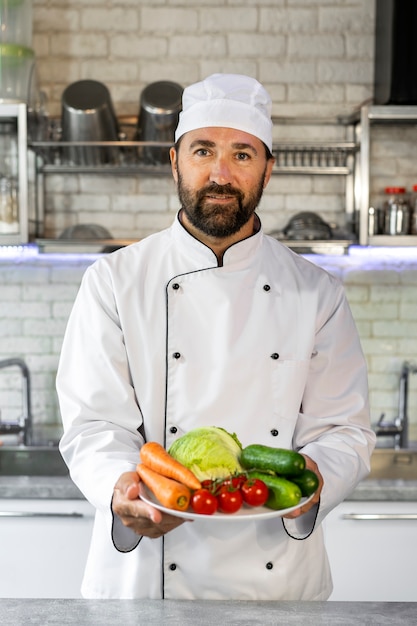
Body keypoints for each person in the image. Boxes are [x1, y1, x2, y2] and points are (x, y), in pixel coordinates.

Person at [57, 73, 376, 600]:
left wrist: (318, 475)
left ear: (268, 169)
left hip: (278, 583)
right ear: (175, 161)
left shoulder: (316, 293)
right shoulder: (114, 281)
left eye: (243, 154)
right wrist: (121, 486)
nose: (220, 174)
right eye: (203, 150)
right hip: (150, 578)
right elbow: (94, 424)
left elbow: (344, 428)